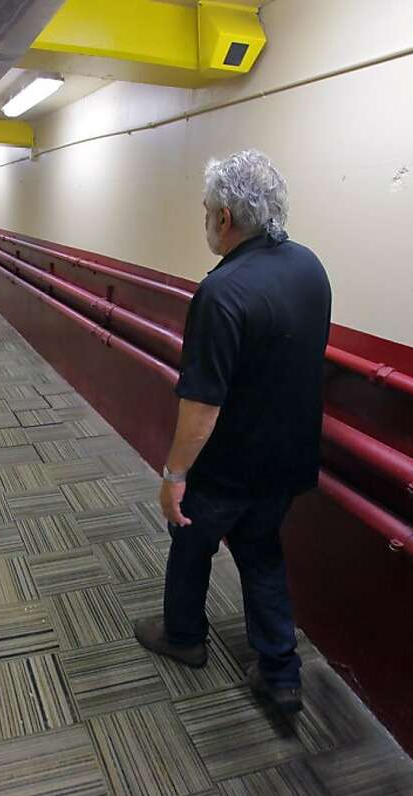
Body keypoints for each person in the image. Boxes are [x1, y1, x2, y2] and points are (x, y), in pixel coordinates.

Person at [133, 149, 331, 714]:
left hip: (227, 467)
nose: (206, 223)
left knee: (191, 543)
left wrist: (174, 476)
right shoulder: (309, 267)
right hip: (289, 460)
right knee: (262, 552)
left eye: (206, 212)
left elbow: (202, 406)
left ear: (224, 218)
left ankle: (184, 636)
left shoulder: (222, 293)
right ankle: (280, 671)